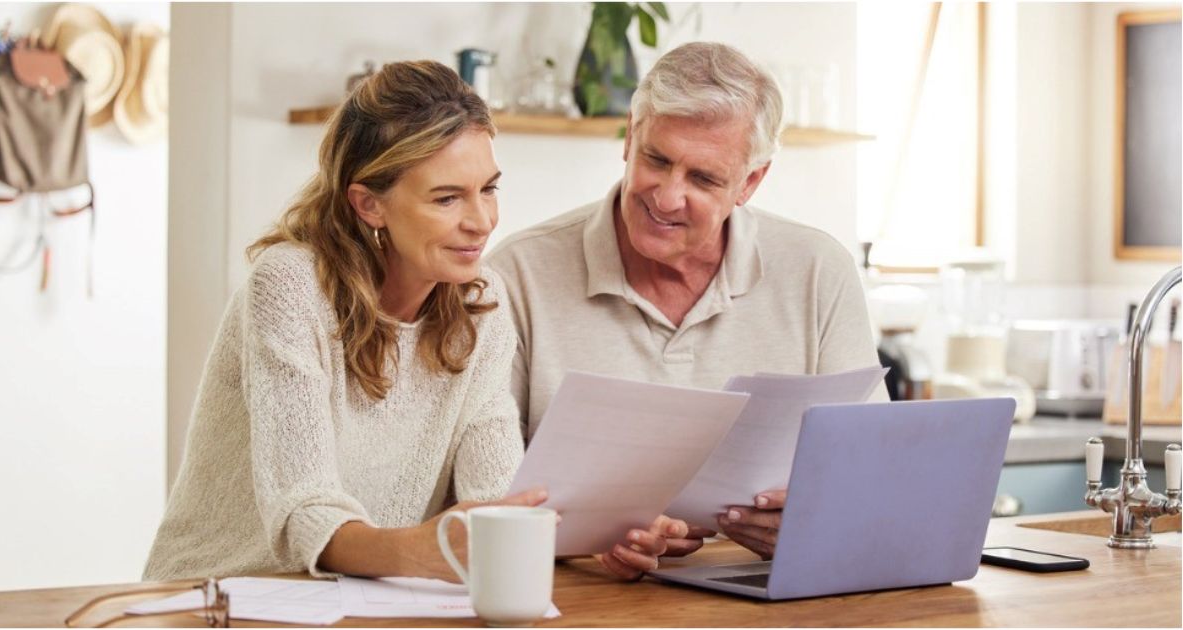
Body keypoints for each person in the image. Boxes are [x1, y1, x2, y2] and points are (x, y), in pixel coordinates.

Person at [144, 61, 675, 582]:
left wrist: (588, 540)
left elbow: (497, 495)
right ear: (369, 204)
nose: (482, 221)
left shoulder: (480, 302)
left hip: (369, 604)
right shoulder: (290, 287)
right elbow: (304, 509)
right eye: (447, 198)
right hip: (216, 595)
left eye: (488, 189)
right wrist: (417, 552)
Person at [487, 42, 886, 563]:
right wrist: (584, 540)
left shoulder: (818, 270)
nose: (668, 197)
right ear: (630, 137)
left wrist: (821, 515)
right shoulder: (517, 272)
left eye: (703, 178)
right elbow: (486, 490)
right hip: (577, 596)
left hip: (764, 590)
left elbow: (872, 467)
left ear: (749, 183)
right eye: (657, 159)